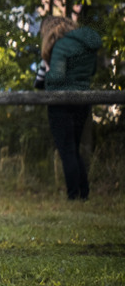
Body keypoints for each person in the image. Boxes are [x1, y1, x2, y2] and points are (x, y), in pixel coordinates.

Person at [36, 16, 102, 200]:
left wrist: (47, 73)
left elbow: (57, 77)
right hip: (83, 101)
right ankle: (84, 193)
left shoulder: (61, 46)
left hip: (61, 102)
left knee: (67, 150)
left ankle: (74, 195)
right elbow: (93, 71)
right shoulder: (86, 45)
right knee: (74, 147)